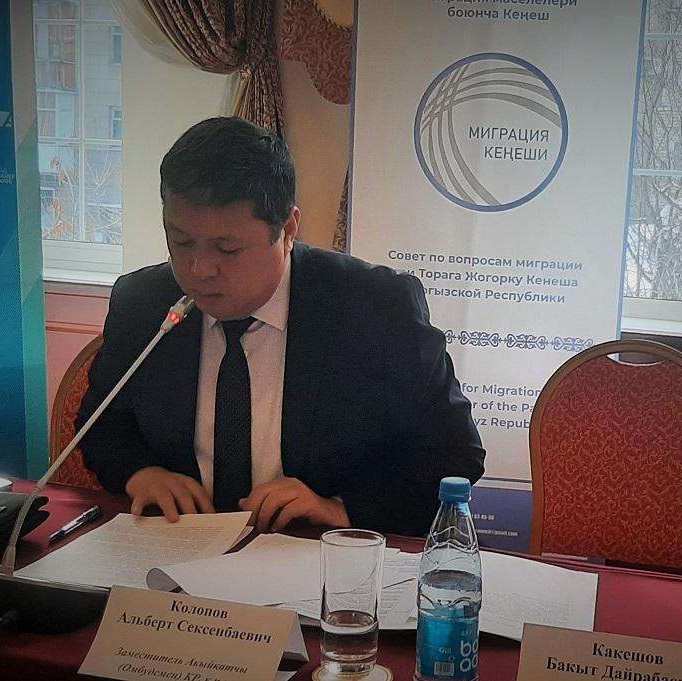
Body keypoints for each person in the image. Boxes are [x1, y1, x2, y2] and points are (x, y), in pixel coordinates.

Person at [77, 116, 485, 536]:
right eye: (180, 241)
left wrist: (340, 509)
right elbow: (100, 427)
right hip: (178, 546)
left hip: (316, 552)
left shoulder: (376, 307)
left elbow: (454, 454)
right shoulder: (142, 303)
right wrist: (140, 473)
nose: (199, 269)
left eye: (227, 248)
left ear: (288, 230)